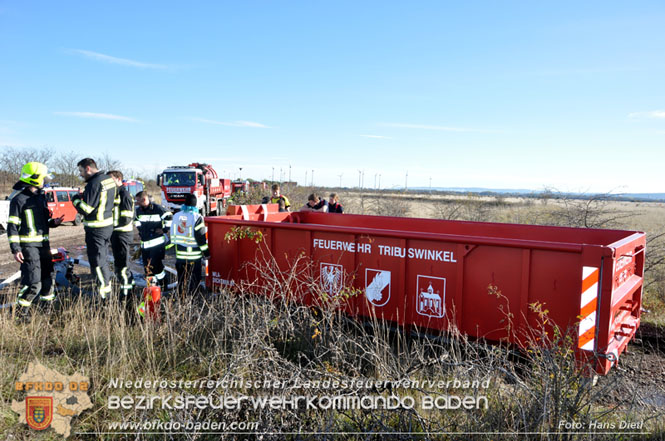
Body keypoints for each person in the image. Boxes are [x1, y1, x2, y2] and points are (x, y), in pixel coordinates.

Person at [7, 162, 64, 315]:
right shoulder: (18, 200)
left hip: (44, 246)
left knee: (48, 280)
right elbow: (12, 226)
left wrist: (54, 222)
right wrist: (16, 249)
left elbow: (45, 221)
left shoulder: (41, 197)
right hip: (28, 247)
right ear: (35, 178)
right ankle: (20, 314)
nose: (46, 181)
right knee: (34, 283)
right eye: (44, 178)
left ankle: (47, 312)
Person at [72, 158, 117, 300]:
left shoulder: (93, 184)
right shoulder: (108, 180)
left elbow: (87, 209)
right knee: (102, 260)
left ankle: (104, 297)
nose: (80, 174)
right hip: (106, 227)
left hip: (95, 229)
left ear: (88, 168)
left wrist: (75, 199)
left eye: (80, 171)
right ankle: (107, 291)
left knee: (97, 263)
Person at [170, 193, 209, 296]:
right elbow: (200, 237)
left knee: (181, 279)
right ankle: (192, 300)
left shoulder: (176, 216)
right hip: (194, 256)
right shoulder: (197, 217)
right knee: (194, 280)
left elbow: (173, 235)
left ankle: (181, 298)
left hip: (180, 255)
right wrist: (206, 252)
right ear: (195, 204)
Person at [134, 191, 172, 288]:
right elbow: (136, 221)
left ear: (144, 199)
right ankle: (152, 287)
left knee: (156, 266)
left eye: (138, 200)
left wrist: (164, 230)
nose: (136, 202)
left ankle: (163, 285)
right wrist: (140, 230)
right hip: (145, 245)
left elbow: (169, 217)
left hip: (157, 244)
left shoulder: (158, 209)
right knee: (147, 268)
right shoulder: (138, 210)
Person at [109, 170, 135, 297]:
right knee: (119, 265)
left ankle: (126, 295)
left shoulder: (124, 194)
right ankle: (130, 287)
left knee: (123, 266)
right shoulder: (115, 194)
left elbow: (127, 217)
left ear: (118, 179)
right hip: (116, 234)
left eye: (111, 179)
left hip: (122, 234)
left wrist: (111, 226)